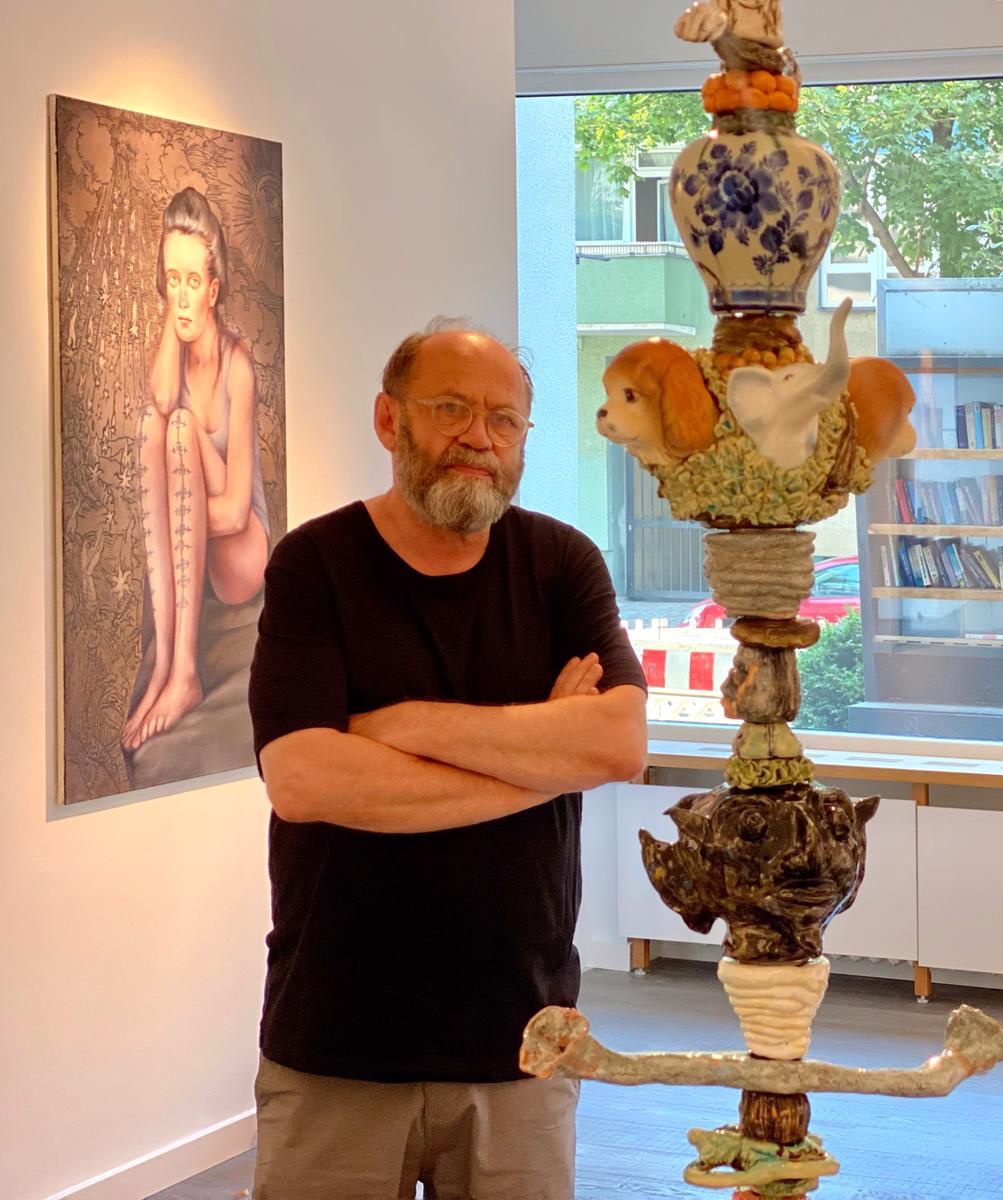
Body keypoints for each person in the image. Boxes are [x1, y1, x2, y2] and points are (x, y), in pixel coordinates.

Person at [246, 320, 648, 1200]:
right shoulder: (314, 566)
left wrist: (404, 725)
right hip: (336, 1042)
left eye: (505, 420)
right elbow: (305, 781)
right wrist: (545, 752)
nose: (480, 438)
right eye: (451, 410)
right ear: (389, 420)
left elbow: (618, 744)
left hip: (524, 1041)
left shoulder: (562, 565)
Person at [124, 186, 270, 750]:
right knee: (155, 422)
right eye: (171, 280)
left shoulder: (238, 365)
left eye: (192, 282)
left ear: (213, 288)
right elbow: (161, 400)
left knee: (181, 426)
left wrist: (168, 519)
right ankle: (167, 666)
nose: (182, 298)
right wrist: (172, 315)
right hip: (200, 543)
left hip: (241, 553)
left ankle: (185, 671)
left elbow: (233, 512)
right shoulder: (175, 349)